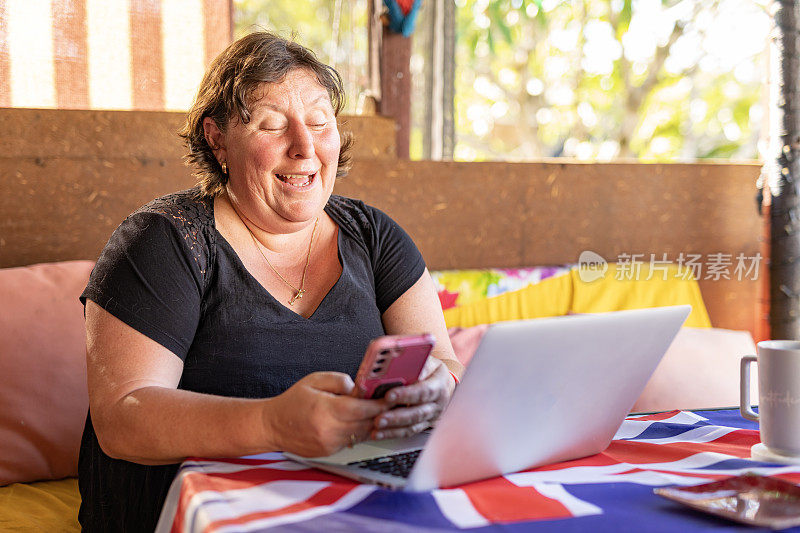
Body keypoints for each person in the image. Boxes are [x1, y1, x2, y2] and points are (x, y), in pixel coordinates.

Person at [78, 31, 463, 531]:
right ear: (217, 139)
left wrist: (439, 388)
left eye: (320, 122)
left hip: (348, 509)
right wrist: (273, 424)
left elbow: (445, 361)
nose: (304, 147)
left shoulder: (374, 237)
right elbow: (122, 420)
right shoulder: (163, 241)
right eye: (272, 125)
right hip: (187, 515)